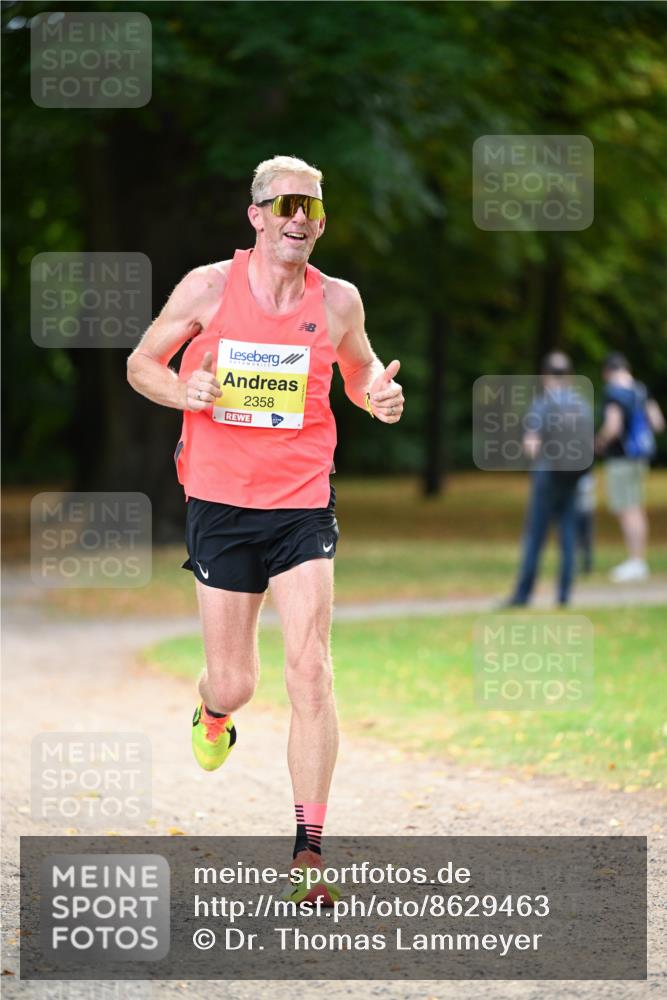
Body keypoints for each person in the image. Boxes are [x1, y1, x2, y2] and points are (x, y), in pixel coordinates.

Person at [127, 155, 404, 902]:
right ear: (255, 216)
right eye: (285, 205)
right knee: (238, 680)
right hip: (219, 500)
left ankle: (308, 852)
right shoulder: (208, 288)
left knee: (310, 668)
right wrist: (183, 388)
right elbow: (140, 364)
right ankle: (213, 710)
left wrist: (375, 392)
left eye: (312, 208)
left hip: (301, 499)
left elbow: (358, 369)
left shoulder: (338, 300)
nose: (299, 219)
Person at [502, 352, 593, 607]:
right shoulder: (581, 404)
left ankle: (523, 594)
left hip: (547, 475)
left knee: (535, 536)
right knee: (568, 534)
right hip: (574, 477)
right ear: (570, 375)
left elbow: (531, 444)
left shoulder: (543, 403)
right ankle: (564, 595)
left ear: (544, 375)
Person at [595, 352, 664, 582]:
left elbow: (613, 426)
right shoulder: (641, 390)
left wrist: (599, 443)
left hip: (621, 458)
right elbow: (657, 423)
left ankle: (636, 562)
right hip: (640, 457)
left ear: (607, 372)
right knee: (636, 506)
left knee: (627, 509)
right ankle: (638, 559)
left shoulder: (613, 393)